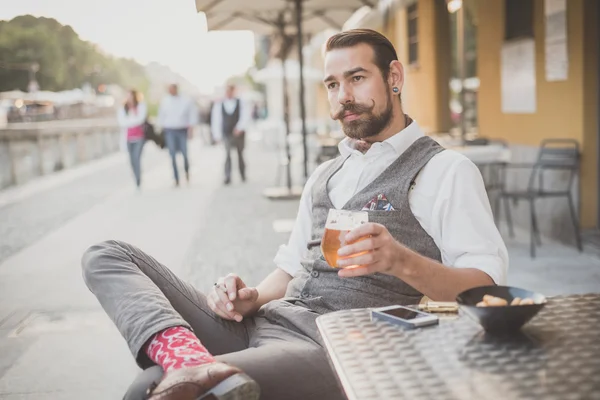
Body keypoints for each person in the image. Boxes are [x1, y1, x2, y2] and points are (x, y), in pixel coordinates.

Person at [82, 29, 508, 400]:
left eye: (357, 79)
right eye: (332, 84)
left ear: (393, 77)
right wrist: (250, 297)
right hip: (269, 322)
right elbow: (290, 267)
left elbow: (487, 289)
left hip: (337, 344)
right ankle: (189, 358)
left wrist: (401, 261)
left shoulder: (444, 171)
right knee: (108, 254)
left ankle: (195, 371)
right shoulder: (327, 173)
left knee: (150, 389)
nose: (343, 96)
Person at [211, 84, 252, 185]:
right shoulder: (220, 104)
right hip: (227, 133)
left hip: (239, 133)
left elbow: (245, 116)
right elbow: (216, 120)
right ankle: (227, 176)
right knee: (227, 154)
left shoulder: (241, 102)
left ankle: (242, 174)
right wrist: (216, 135)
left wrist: (239, 128)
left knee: (240, 154)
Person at [158, 84, 198, 186]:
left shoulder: (185, 100)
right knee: (172, 155)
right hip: (169, 130)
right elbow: (161, 116)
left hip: (182, 129)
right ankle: (176, 178)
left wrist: (191, 129)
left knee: (185, 153)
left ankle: (186, 171)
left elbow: (192, 114)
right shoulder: (165, 101)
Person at [117, 90, 147, 188]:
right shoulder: (123, 108)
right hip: (128, 139)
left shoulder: (140, 106)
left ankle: (138, 180)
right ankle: (136, 177)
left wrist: (129, 121)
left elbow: (140, 119)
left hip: (139, 137)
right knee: (131, 161)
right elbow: (122, 122)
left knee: (136, 158)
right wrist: (133, 121)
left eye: (131, 96)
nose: (129, 98)